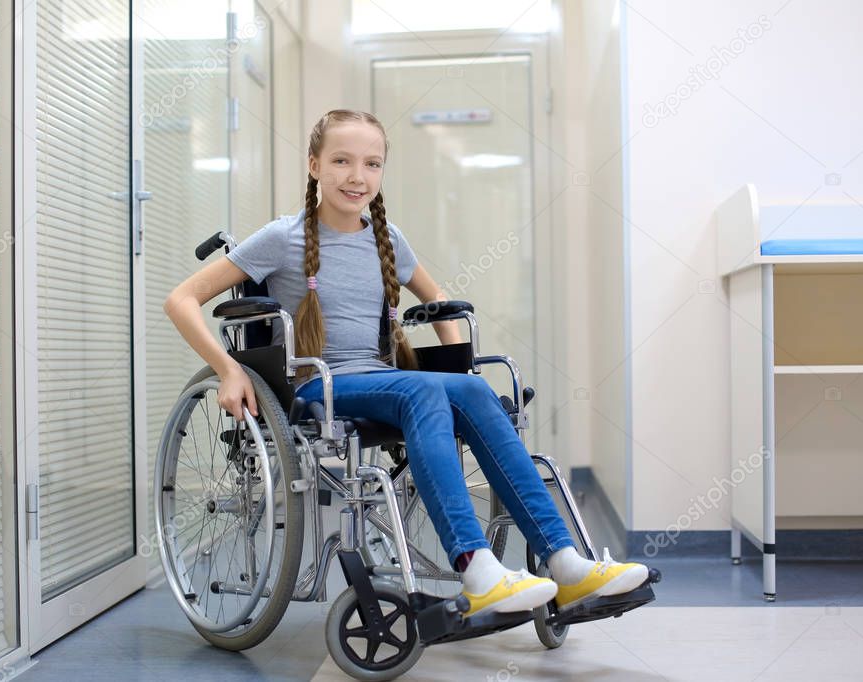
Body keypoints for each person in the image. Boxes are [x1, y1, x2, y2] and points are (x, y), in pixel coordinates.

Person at [164, 109, 649, 618]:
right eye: (342, 161)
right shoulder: (281, 238)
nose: (357, 176)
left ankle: (565, 562)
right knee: (424, 390)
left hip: (383, 381)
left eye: (372, 164)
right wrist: (229, 368)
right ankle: (476, 569)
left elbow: (438, 299)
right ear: (314, 165)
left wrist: (458, 369)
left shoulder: (387, 237)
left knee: (473, 391)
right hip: (314, 386)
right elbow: (181, 299)